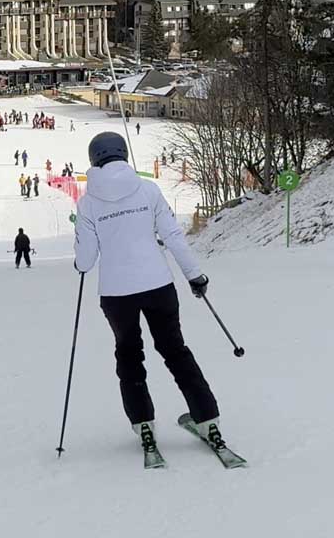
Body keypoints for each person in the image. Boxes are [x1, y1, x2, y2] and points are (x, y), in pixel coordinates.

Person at [73, 131, 222, 459]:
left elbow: (85, 261)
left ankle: (143, 426)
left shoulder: (87, 203)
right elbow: (172, 236)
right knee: (175, 351)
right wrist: (194, 276)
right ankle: (207, 418)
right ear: (123, 154)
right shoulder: (148, 189)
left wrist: (79, 250)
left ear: (93, 160)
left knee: (129, 355)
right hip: (158, 286)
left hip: (116, 294)